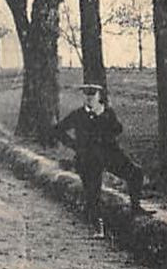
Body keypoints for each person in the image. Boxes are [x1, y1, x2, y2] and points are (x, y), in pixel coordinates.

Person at [53, 82, 145, 235]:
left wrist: (102, 116)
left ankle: (136, 208)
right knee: (93, 191)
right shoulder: (78, 115)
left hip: (109, 154)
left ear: (99, 96)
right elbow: (58, 130)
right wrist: (75, 145)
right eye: (86, 94)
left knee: (135, 173)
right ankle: (98, 228)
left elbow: (118, 129)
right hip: (87, 157)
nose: (89, 98)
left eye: (93, 94)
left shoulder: (107, 112)